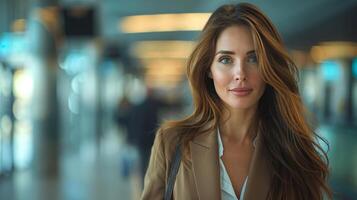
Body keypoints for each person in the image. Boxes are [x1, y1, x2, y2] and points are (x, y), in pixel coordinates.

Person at [141, 3, 332, 200]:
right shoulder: (172, 142)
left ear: (269, 68)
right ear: (209, 68)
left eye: (253, 59)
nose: (240, 74)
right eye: (226, 59)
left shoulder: (295, 150)